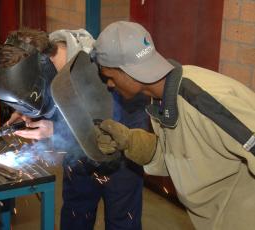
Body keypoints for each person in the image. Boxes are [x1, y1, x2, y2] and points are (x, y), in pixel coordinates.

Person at [93, 21, 255, 230]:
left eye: (110, 77)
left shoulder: (202, 99)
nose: (110, 85)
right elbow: (179, 155)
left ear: (128, 71)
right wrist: (130, 141)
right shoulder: (162, 99)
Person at [0, 28, 150, 230]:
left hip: (122, 139)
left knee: (122, 220)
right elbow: (50, 97)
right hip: (80, 150)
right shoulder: (44, 64)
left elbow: (103, 130)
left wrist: (55, 129)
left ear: (44, 64)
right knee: (76, 212)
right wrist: (26, 110)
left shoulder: (95, 68)